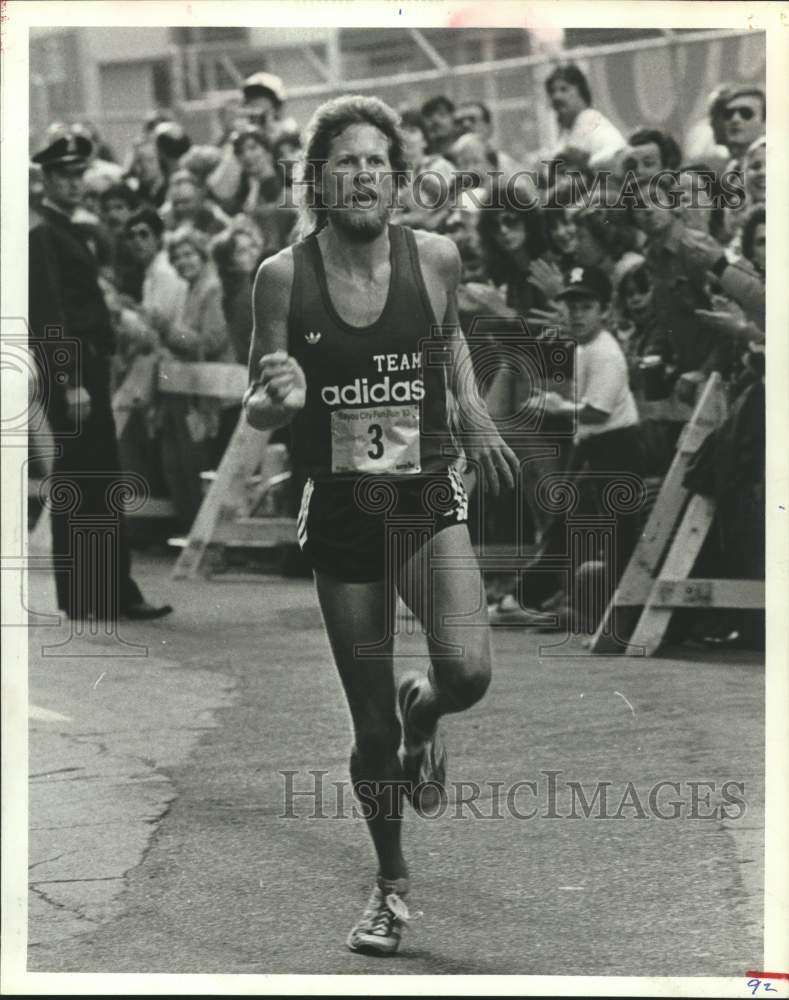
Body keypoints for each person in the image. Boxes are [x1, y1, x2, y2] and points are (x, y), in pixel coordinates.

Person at [243, 95, 518, 956]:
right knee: (370, 733)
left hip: (423, 492)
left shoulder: (433, 257)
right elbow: (257, 401)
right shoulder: (282, 276)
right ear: (318, 180)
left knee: (467, 672)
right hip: (342, 509)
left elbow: (450, 338)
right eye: (345, 161)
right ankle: (390, 886)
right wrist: (277, 399)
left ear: (396, 180)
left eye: (375, 162)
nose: (362, 175)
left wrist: (470, 408)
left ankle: (423, 709)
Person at [28, 130, 172, 622]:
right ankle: (99, 594)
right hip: (74, 369)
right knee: (88, 479)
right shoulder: (44, 233)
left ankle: (101, 593)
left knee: (94, 479)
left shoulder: (66, 228)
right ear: (47, 179)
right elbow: (50, 316)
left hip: (86, 365)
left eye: (78, 175)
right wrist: (70, 381)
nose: (73, 183)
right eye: (63, 176)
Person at [158, 226, 236, 530]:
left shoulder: (211, 288)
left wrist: (168, 330)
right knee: (185, 462)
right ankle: (195, 527)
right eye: (177, 257)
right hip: (197, 387)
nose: (183, 261)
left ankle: (207, 531)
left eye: (188, 254)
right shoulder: (190, 289)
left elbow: (212, 340)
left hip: (217, 392)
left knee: (205, 464)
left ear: (202, 255)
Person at [544, 63, 626, 175]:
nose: (556, 97)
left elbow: (619, 154)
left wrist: (587, 165)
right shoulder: (568, 131)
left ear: (581, 93)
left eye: (564, 89)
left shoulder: (590, 121)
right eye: (552, 91)